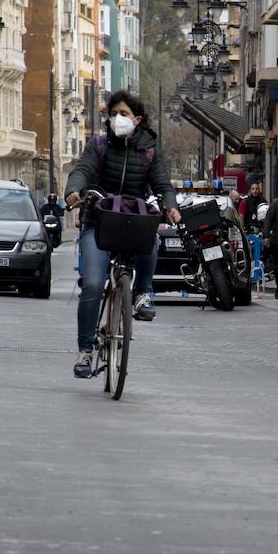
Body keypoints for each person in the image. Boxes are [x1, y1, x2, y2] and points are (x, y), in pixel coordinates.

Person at [64, 90, 181, 379]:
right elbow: (82, 170)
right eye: (113, 113)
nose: (117, 118)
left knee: (152, 238)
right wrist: (73, 192)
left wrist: (171, 206)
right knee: (92, 284)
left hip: (134, 220)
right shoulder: (99, 145)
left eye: (124, 114)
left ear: (137, 119)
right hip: (99, 223)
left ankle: (142, 293)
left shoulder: (150, 150)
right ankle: (85, 351)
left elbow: (163, 185)